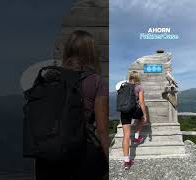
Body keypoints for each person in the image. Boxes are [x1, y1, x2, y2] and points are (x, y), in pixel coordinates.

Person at [35, 30, 109, 180]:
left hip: (48, 155)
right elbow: (102, 131)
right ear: (92, 53)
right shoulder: (96, 81)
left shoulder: (49, 77)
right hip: (82, 153)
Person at [120, 71, 148, 170]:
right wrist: (145, 114)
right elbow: (141, 102)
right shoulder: (139, 87)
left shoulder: (123, 85)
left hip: (124, 111)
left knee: (126, 136)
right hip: (134, 110)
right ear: (138, 78)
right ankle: (136, 136)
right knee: (142, 119)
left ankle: (127, 161)